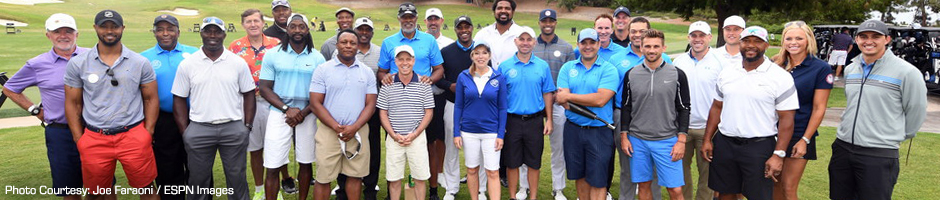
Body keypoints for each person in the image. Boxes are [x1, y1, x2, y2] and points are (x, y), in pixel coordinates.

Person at [63, 9, 160, 200]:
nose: (109, 31)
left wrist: (147, 132)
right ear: (95, 28)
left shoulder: (140, 62)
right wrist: (79, 138)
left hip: (133, 135)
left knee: (147, 188)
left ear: (122, 28)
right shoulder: (78, 63)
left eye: (114, 26)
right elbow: (72, 103)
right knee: (96, 193)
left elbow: (151, 98)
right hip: (95, 136)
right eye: (104, 26)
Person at [829, 19, 926, 200]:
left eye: (876, 37)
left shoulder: (907, 72)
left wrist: (891, 135)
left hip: (879, 153)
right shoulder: (851, 69)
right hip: (842, 148)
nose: (869, 41)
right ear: (856, 40)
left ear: (887, 39)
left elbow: (916, 110)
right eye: (863, 36)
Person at [700, 26, 798, 200]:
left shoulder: (780, 77)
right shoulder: (727, 72)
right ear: (740, 43)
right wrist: (708, 139)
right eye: (746, 41)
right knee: (725, 192)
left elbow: (787, 119)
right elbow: (716, 107)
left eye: (757, 41)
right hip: (725, 142)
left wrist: (778, 154)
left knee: (758, 195)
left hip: (759, 146)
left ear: (766, 45)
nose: (751, 45)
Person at [0, 13, 88, 200]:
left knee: (101, 188)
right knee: (70, 191)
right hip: (60, 133)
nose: (63, 35)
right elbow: (10, 89)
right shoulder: (37, 64)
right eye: (57, 32)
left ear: (77, 34)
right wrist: (34, 110)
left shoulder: (93, 56)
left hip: (94, 131)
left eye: (68, 31)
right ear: (48, 35)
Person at [171, 17, 256, 200]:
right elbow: (179, 98)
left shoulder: (237, 62)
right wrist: (186, 131)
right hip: (199, 127)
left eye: (217, 31)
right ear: (201, 33)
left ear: (224, 34)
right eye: (208, 31)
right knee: (198, 181)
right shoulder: (188, 64)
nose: (212, 35)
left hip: (232, 127)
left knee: (237, 179)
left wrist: (247, 126)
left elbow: (249, 94)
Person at [229, 8, 294, 200]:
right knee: (255, 148)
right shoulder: (235, 46)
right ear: (243, 24)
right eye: (248, 21)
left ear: (262, 23)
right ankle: (259, 190)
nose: (253, 24)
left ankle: (276, 188)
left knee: (277, 145)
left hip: (274, 102)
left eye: (256, 21)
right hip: (248, 103)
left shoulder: (276, 44)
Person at [259, 13, 325, 200]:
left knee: (305, 162)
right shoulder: (273, 54)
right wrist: (287, 109)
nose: (297, 30)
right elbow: (264, 88)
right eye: (293, 26)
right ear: (287, 29)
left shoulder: (317, 58)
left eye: (301, 26)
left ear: (307, 29)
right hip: (279, 112)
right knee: (272, 164)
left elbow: (320, 93)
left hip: (307, 112)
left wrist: (302, 113)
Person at [619, 29, 690, 200]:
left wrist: (681, 140)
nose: (652, 50)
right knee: (643, 185)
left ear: (663, 48)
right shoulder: (631, 74)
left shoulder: (677, 74)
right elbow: (626, 107)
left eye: (656, 46)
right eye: (648, 46)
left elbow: (684, 108)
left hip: (667, 140)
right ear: (641, 48)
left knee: (675, 190)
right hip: (638, 140)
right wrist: (624, 136)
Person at [768, 21, 833, 200]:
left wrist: (805, 139)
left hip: (798, 134)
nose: (793, 42)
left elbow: (819, 108)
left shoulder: (820, 68)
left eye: (799, 38)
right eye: (788, 38)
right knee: (773, 183)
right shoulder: (774, 64)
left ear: (808, 41)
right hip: (771, 132)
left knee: (788, 187)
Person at [310, 29, 378, 200]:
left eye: (352, 43)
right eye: (344, 42)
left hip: (358, 130)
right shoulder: (323, 70)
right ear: (337, 45)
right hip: (329, 131)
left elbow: (370, 104)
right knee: (323, 178)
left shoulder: (367, 72)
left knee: (355, 176)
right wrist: (335, 126)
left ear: (357, 46)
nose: (348, 46)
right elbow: (315, 103)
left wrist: (354, 127)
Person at [607, 16, 669, 200]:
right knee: (627, 168)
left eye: (642, 31)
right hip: (623, 117)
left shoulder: (664, 59)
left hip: (654, 119)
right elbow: (611, 91)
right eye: (633, 31)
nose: (637, 35)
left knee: (654, 169)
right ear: (628, 32)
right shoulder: (617, 59)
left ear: (649, 33)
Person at [556, 28, 619, 200]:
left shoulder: (609, 69)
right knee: (580, 175)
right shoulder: (567, 68)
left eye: (592, 42)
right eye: (584, 43)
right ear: (578, 45)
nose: (588, 46)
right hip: (573, 130)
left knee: (598, 180)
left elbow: (600, 99)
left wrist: (569, 96)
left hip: (599, 130)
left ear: (599, 44)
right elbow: (561, 100)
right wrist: (569, 99)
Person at [139, 14, 197, 200]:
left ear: (178, 32)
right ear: (154, 32)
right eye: (160, 29)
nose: (165, 33)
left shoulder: (195, 53)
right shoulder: (143, 58)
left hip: (194, 118)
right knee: (167, 167)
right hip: (163, 120)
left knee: (197, 165)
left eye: (170, 29)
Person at [499, 26, 555, 200]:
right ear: (516, 41)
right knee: (512, 162)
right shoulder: (505, 66)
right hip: (512, 121)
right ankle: (513, 197)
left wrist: (550, 120)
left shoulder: (542, 66)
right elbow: (500, 98)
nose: (525, 43)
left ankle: (533, 197)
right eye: (521, 39)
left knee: (533, 163)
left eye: (528, 39)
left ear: (534, 42)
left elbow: (547, 93)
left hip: (535, 121)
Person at [334, 17, 383, 200]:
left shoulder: (379, 51)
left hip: (371, 108)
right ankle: (343, 186)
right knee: (343, 145)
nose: (364, 33)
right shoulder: (343, 50)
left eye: (367, 30)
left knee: (372, 148)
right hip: (346, 107)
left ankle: (370, 187)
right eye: (360, 29)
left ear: (372, 32)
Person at [378, 45, 435, 200]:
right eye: (401, 59)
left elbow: (428, 112)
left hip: (417, 137)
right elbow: (383, 112)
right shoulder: (387, 84)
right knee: (394, 178)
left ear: (413, 60)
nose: (405, 63)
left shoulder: (424, 84)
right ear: (395, 61)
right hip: (394, 138)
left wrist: (415, 134)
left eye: (408, 59)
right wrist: (394, 135)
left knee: (420, 177)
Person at [671, 21, 721, 200]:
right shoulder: (679, 61)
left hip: (709, 128)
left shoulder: (719, 62)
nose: (697, 39)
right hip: (680, 128)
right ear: (688, 38)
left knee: (707, 175)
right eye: (694, 35)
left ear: (709, 37)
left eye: (702, 35)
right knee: (680, 174)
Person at [531, 9, 576, 200]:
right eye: (544, 20)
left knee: (558, 148)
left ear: (556, 23)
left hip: (557, 104)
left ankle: (558, 189)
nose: (547, 23)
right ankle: (525, 187)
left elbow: (572, 78)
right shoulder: (530, 46)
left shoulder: (566, 48)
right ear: (539, 22)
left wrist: (562, 95)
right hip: (533, 104)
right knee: (530, 148)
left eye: (551, 20)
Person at [453, 41, 507, 200]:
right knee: (471, 170)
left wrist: (500, 135)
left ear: (489, 56)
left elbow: (503, 108)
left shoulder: (498, 77)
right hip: (469, 132)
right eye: (477, 53)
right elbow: (458, 106)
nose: (480, 56)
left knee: (492, 171)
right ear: (472, 56)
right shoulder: (463, 76)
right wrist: (457, 132)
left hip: (491, 132)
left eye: (484, 53)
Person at [436, 15, 482, 200]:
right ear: (455, 29)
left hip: (477, 108)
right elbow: (438, 77)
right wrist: (450, 86)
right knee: (452, 147)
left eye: (467, 26)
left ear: (472, 28)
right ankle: (452, 187)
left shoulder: (481, 50)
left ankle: (480, 188)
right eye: (460, 27)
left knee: (478, 148)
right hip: (453, 105)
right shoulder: (447, 51)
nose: (464, 30)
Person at [424, 8, 453, 200]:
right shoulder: (420, 40)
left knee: (441, 137)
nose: (433, 22)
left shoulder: (448, 43)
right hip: (421, 97)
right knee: (426, 139)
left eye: (436, 19)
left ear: (442, 20)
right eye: (430, 19)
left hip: (441, 95)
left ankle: (440, 172)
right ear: (425, 22)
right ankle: (429, 171)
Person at [473, 0, 523, 67]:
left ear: (513, 12)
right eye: (499, 8)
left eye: (507, 8)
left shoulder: (522, 34)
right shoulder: (482, 34)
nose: (503, 11)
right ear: (494, 11)